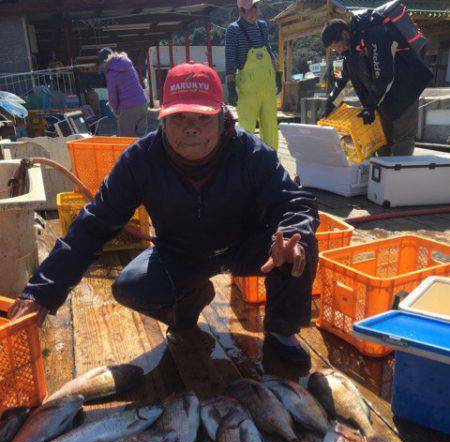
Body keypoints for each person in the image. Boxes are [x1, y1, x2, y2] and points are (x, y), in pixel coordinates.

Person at [8, 62, 319, 365]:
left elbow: (295, 203)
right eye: (179, 118)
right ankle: (188, 305)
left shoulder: (251, 153)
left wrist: (297, 235)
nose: (191, 128)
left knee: (296, 246)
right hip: (181, 253)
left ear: (224, 119)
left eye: (203, 117)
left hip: (247, 247)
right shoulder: (140, 160)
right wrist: (42, 292)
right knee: (130, 287)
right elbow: (94, 224)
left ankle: (281, 331)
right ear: (162, 120)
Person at [321, 17, 433, 156]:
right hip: (382, 97)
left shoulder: (375, 36)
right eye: (334, 49)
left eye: (336, 46)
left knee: (402, 138)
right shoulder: (350, 52)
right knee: (382, 139)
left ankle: (397, 175)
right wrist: (331, 104)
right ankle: (382, 174)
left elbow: (384, 75)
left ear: (344, 34)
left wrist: (370, 106)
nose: (338, 50)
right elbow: (344, 82)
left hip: (405, 90)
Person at [225, 0, 282, 151]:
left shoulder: (262, 26)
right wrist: (230, 87)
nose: (254, 12)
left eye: (255, 8)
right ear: (241, 11)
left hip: (267, 84)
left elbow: (269, 51)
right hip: (247, 88)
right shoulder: (233, 30)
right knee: (247, 128)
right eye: (250, 10)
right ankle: (246, 164)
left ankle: (271, 163)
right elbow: (230, 59)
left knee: (270, 126)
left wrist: (278, 74)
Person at [98, 47, 148, 137]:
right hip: (142, 103)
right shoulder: (128, 64)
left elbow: (113, 98)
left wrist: (115, 110)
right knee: (142, 139)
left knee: (125, 140)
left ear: (104, 62)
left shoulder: (110, 74)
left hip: (129, 109)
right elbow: (137, 82)